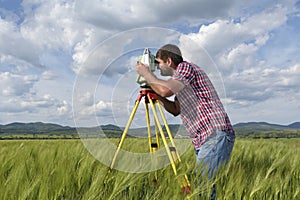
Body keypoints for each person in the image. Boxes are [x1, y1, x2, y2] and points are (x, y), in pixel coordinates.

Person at [136, 44, 235, 199]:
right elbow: (176, 109)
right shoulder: (179, 80)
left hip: (214, 135)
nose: (158, 68)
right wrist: (154, 93)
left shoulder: (185, 68)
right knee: (203, 187)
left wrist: (146, 74)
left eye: (159, 63)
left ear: (169, 61)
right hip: (203, 139)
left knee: (203, 189)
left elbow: (166, 90)